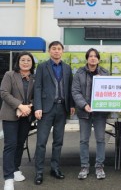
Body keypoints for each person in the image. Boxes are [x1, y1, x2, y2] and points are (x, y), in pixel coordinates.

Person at [33, 41, 75, 185]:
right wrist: (37, 107)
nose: (56, 51)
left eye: (59, 49)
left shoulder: (67, 68)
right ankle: (38, 172)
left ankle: (55, 168)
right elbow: (37, 87)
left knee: (58, 141)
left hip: (62, 109)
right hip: (45, 109)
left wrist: (71, 105)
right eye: (54, 49)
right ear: (49, 51)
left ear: (62, 51)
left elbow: (70, 88)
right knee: (41, 142)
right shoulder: (42, 67)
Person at [72, 48, 109, 180]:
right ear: (87, 58)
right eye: (90, 56)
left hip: (100, 113)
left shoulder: (105, 73)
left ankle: (99, 166)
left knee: (100, 139)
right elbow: (75, 92)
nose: (93, 58)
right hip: (84, 112)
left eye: (95, 56)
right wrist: (84, 105)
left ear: (98, 59)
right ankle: (84, 166)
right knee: (84, 140)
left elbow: (110, 91)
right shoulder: (79, 73)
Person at [0, 52, 35, 190]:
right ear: (18, 62)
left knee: (20, 143)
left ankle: (15, 169)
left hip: (26, 115)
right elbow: (4, 92)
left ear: (32, 63)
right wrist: (20, 105)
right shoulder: (10, 75)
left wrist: (28, 107)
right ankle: (8, 178)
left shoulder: (34, 78)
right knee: (10, 145)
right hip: (10, 115)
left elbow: (36, 95)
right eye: (23, 60)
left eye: (28, 60)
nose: (25, 62)